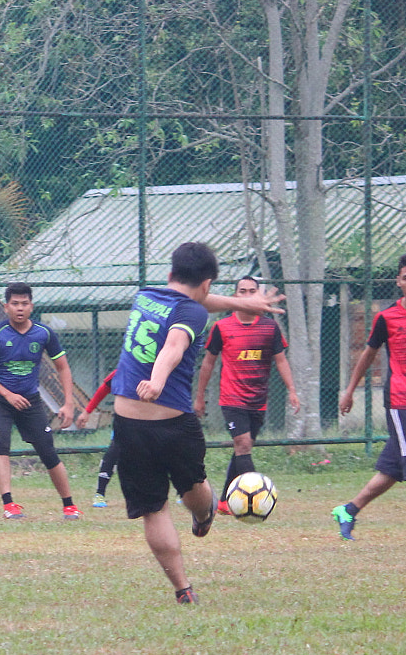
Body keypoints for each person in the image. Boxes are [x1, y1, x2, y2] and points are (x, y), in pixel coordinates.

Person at [112, 242, 283, 604]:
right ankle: (205, 515)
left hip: (128, 422)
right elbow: (173, 346)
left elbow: (195, 303)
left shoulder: (145, 296)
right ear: (207, 283)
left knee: (152, 509)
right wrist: (158, 380)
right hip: (172, 422)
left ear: (171, 273)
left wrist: (242, 303)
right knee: (195, 488)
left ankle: (182, 589)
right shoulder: (191, 314)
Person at [331, 252, 406, 543]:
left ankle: (348, 511)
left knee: (393, 467)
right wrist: (349, 390)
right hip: (399, 399)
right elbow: (367, 355)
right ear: (398, 282)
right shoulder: (387, 317)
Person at [193, 275, 302, 514]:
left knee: (243, 448)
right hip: (232, 399)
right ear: (235, 296)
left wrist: (292, 390)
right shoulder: (222, 327)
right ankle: (257, 502)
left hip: (258, 401)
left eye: (252, 290)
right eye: (242, 291)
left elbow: (281, 360)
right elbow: (208, 364)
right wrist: (199, 397)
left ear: (259, 295)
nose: (247, 294)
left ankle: (222, 502)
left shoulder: (269, 327)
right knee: (242, 445)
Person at [0, 283, 82, 520]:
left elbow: (63, 368)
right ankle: (9, 504)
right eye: (15, 304)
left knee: (47, 450)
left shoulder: (44, 334)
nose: (20, 308)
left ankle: (69, 505)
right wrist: (7, 394)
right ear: (6, 306)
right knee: (0, 443)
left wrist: (68, 404)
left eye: (24, 304)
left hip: (30, 401)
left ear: (31, 306)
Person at [75, 368, 118, 508]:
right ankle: (100, 494)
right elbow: (103, 390)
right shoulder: (123, 370)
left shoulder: (159, 370)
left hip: (150, 420)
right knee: (113, 453)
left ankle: (182, 490)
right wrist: (87, 412)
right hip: (125, 421)